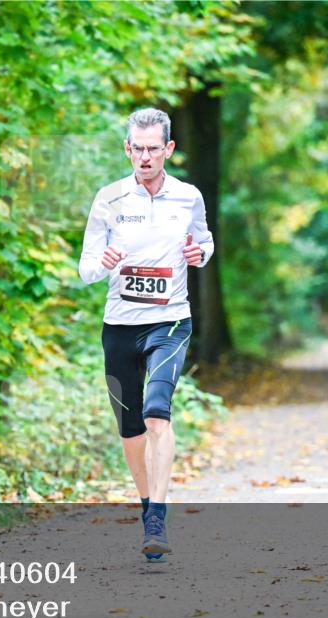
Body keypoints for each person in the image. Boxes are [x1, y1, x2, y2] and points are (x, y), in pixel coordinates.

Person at [78, 108, 214, 561]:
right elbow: (85, 269)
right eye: (137, 148)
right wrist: (106, 262)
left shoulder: (188, 197)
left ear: (168, 149)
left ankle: (158, 515)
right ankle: (145, 505)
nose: (145, 156)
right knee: (131, 429)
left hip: (170, 321)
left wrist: (199, 253)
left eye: (153, 148)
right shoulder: (109, 199)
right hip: (119, 327)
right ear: (127, 148)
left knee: (158, 413)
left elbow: (204, 242)